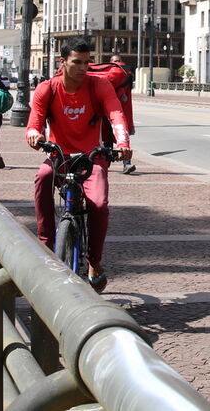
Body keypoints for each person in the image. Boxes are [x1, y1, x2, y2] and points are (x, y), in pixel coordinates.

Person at [25, 38, 131, 292]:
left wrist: (122, 141)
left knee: (99, 204)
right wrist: (33, 135)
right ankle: (46, 243)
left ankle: (94, 262)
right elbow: (34, 122)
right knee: (42, 177)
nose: (83, 68)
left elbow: (116, 114)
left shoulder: (99, 85)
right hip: (59, 157)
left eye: (87, 62)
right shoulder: (47, 89)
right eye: (77, 62)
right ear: (62, 63)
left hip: (91, 158)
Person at [110, 55, 137, 174]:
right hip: (107, 112)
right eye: (115, 61)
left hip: (120, 113)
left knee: (123, 138)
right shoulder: (105, 77)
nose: (117, 63)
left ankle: (127, 164)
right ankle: (104, 163)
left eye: (119, 61)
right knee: (107, 140)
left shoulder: (126, 75)